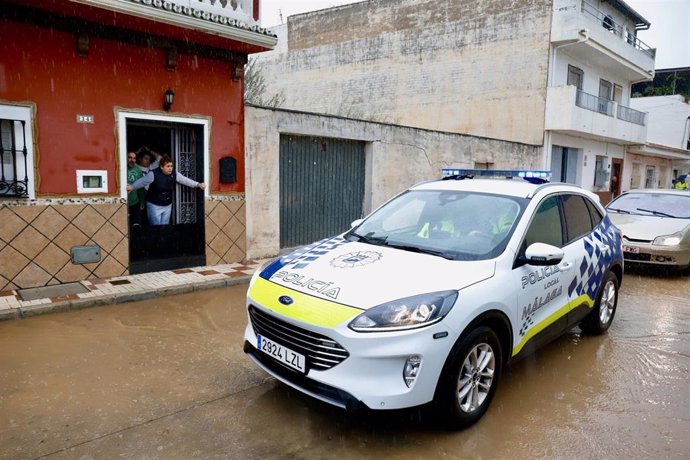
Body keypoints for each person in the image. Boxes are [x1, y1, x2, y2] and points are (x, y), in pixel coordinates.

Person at [126, 154, 205, 225]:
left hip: (167, 205)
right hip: (154, 205)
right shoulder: (153, 174)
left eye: (171, 166)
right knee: (155, 227)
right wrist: (132, 187)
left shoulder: (174, 173)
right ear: (161, 167)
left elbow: (184, 180)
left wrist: (197, 184)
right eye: (168, 166)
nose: (170, 168)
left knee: (165, 226)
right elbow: (142, 182)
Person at [126, 151, 146, 228]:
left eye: (134, 158)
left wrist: (142, 202)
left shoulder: (138, 170)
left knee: (136, 225)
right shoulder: (121, 168)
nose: (132, 160)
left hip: (135, 202)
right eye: (130, 157)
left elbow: (141, 188)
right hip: (124, 203)